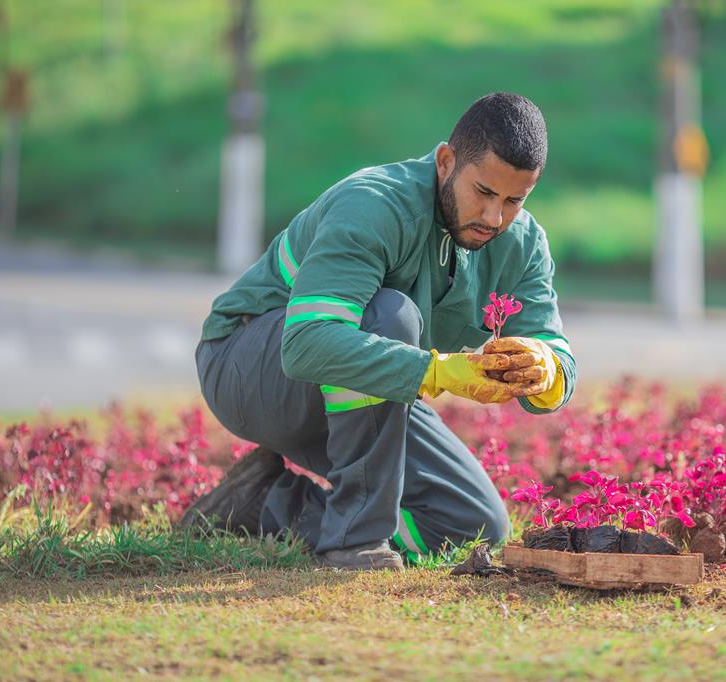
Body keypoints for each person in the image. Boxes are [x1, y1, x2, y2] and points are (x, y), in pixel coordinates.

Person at [180, 92, 576, 571]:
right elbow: (307, 344)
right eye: (485, 193)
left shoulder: (523, 244)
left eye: (515, 200)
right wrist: (439, 372)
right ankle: (355, 541)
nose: (496, 217)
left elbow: (558, 352)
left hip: (361, 389)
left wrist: (543, 366)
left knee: (474, 523)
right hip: (249, 370)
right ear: (447, 162)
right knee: (389, 316)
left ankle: (264, 503)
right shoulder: (374, 205)